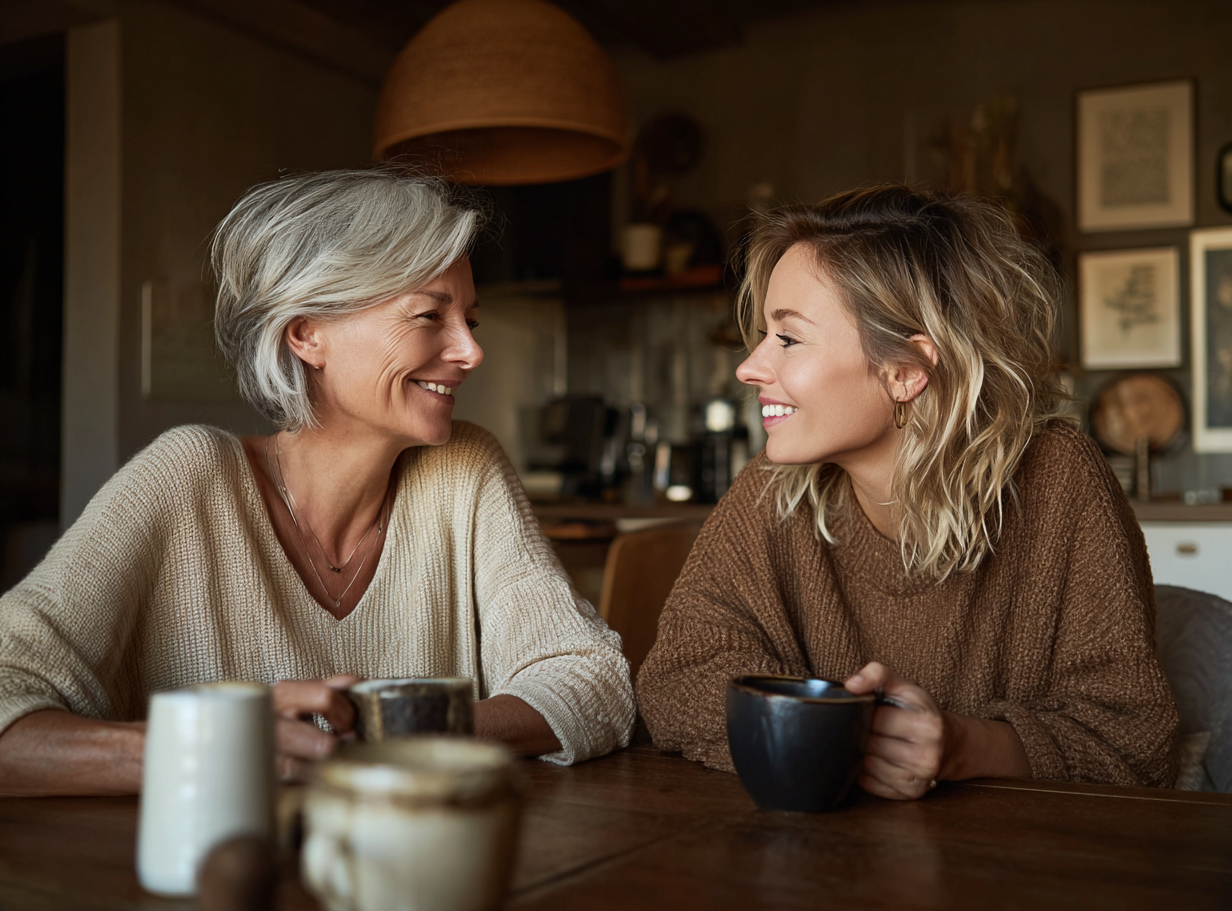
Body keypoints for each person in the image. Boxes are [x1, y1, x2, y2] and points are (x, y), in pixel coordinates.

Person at [0, 168, 634, 796]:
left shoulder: (465, 470)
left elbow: (595, 683)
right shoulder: (185, 477)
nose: (470, 351)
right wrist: (210, 745)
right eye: (428, 316)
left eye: (471, 320)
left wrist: (387, 730)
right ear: (307, 334)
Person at [637, 185, 1178, 799]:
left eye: (788, 339)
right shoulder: (774, 486)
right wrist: (857, 739)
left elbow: (1134, 745)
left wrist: (961, 746)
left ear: (905, 371)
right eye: (765, 334)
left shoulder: (1059, 478)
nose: (748, 367)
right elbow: (676, 681)